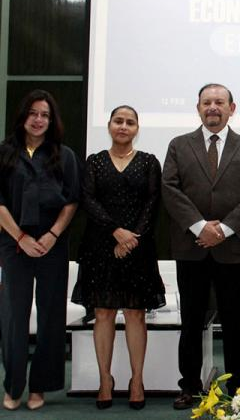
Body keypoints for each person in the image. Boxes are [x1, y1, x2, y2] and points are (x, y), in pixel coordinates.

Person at [162, 83, 240, 409]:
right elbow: (170, 189)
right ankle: (190, 387)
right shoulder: (179, 145)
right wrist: (200, 227)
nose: (213, 107)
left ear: (232, 108)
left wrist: (223, 230)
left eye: (219, 102)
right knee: (191, 321)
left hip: (232, 250)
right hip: (191, 247)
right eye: (207, 102)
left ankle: (239, 388)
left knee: (234, 324)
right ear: (198, 108)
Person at [71, 105, 165, 410]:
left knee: (136, 313)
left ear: (137, 128)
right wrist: (115, 231)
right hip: (101, 246)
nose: (123, 126)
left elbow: (153, 202)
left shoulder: (149, 162)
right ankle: (105, 380)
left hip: (138, 247)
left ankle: (136, 381)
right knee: (103, 314)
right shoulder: (94, 161)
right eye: (118, 121)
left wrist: (131, 237)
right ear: (110, 125)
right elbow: (88, 200)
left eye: (130, 122)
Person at [0, 89, 80, 411]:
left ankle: (40, 387)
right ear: (23, 116)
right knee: (13, 316)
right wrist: (20, 237)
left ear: (52, 120)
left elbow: (72, 200)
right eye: (33, 113)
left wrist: (52, 235)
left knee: (50, 317)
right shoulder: (5, 153)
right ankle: (13, 386)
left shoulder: (65, 155)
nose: (38, 120)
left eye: (45, 115)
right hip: (14, 244)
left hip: (52, 244)